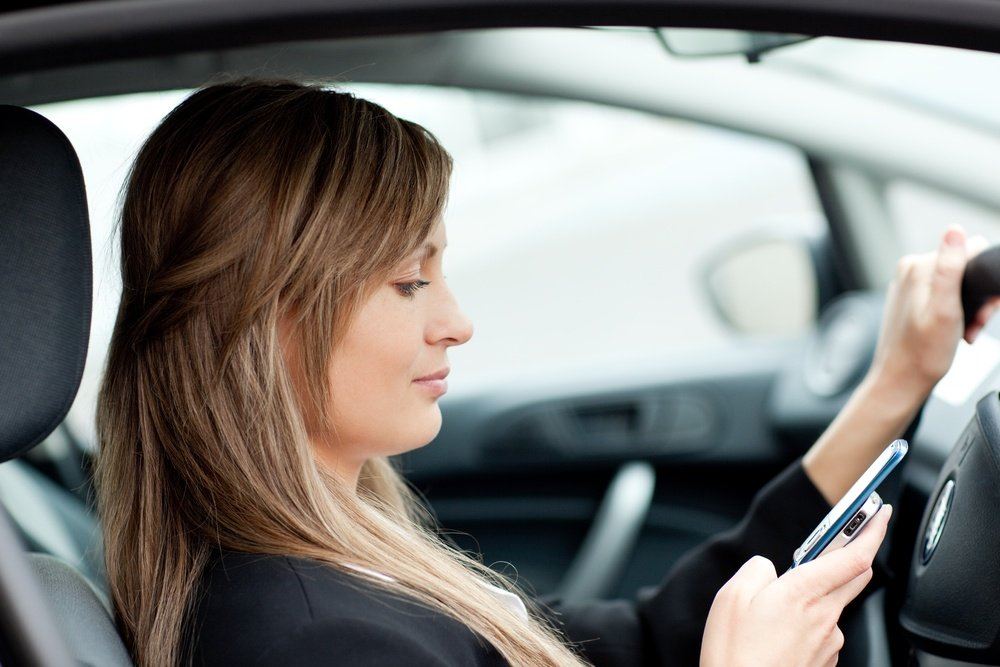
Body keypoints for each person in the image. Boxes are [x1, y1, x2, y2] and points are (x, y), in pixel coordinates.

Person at [92, 77, 1000, 667]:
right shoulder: (313, 640)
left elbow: (648, 639)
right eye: (410, 280)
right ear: (269, 320)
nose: (456, 322)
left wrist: (893, 385)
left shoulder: (345, 579)